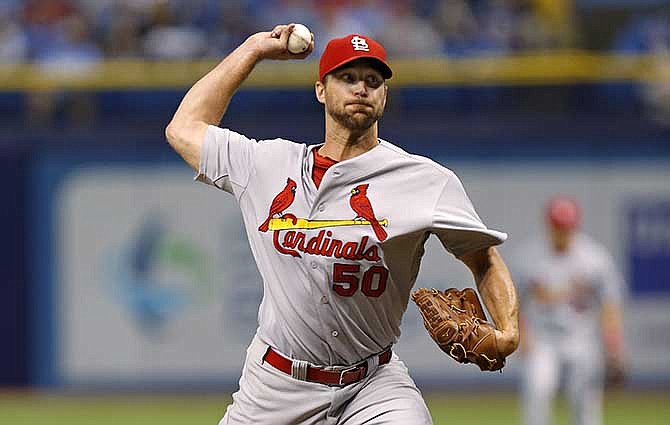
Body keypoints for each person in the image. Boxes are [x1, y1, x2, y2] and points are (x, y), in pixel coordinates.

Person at [165, 24, 519, 424]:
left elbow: (483, 258)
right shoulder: (265, 165)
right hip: (276, 385)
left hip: (373, 384)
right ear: (321, 90)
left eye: (372, 80)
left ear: (384, 94)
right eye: (347, 78)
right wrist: (252, 50)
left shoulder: (425, 181)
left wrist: (508, 331)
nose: (361, 88)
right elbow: (183, 129)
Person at [512, 196, 626, 425]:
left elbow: (610, 304)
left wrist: (614, 346)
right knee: (537, 393)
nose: (562, 231)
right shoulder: (528, 257)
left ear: (575, 225)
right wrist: (521, 336)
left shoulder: (595, 258)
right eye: (557, 225)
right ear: (549, 224)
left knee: (584, 402)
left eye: (566, 226)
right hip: (543, 338)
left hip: (581, 338)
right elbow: (513, 303)